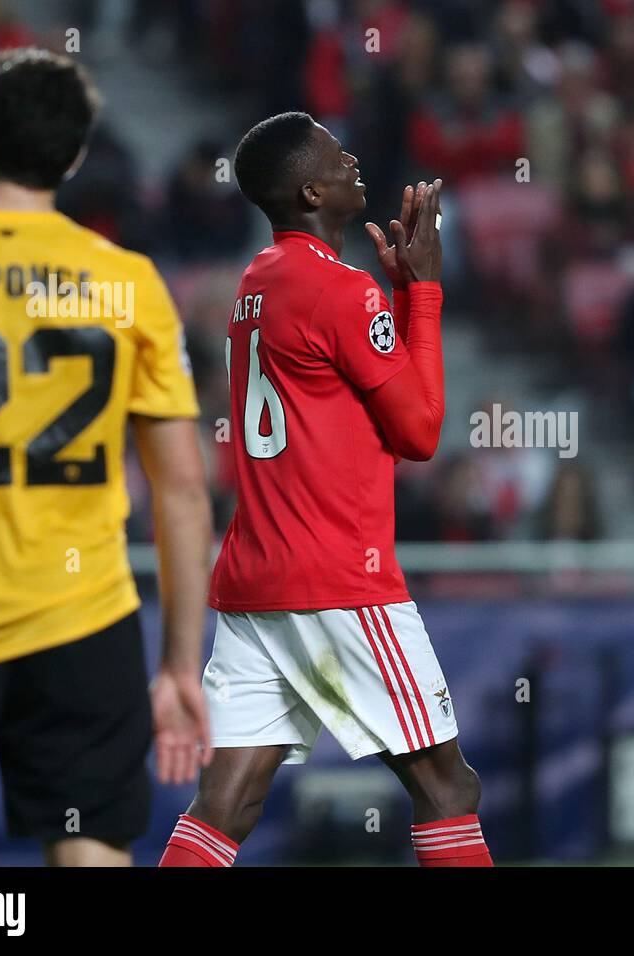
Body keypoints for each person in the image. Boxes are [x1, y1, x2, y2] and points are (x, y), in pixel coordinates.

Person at [0, 48, 212, 866]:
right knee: (90, 848)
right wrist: (179, 667)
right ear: (72, 158)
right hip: (85, 619)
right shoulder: (129, 283)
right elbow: (182, 492)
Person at [159, 112, 490, 868]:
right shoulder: (343, 290)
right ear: (312, 188)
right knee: (447, 789)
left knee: (226, 802)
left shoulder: (256, 282)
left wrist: (398, 295)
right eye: (337, 156)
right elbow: (420, 434)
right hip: (341, 578)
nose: (352, 161)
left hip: (255, 579)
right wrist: (422, 294)